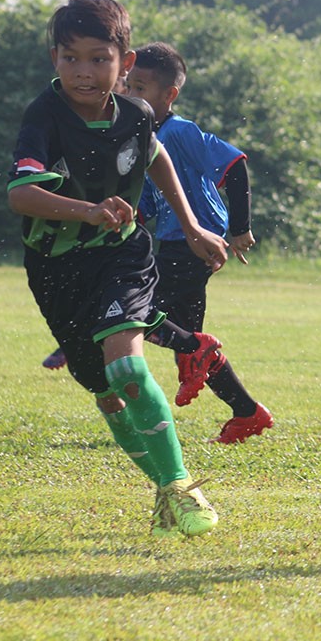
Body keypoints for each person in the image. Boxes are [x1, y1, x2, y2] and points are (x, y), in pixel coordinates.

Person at [7, 0, 224, 538]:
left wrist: (192, 225)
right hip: (55, 270)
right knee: (105, 391)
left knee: (126, 365)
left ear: (124, 64)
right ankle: (166, 491)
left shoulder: (137, 113)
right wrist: (89, 210)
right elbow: (22, 194)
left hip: (123, 254)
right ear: (54, 58)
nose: (85, 71)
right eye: (72, 58)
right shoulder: (44, 115)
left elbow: (154, 156)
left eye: (99, 58)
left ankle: (182, 488)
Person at [40, 43, 273, 445]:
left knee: (137, 313)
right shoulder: (134, 137)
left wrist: (240, 228)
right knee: (190, 338)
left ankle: (85, 336)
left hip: (198, 240)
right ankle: (248, 412)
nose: (130, 94)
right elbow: (143, 206)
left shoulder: (180, 131)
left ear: (169, 96)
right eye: (128, 85)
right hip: (168, 241)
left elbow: (234, 166)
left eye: (142, 88)